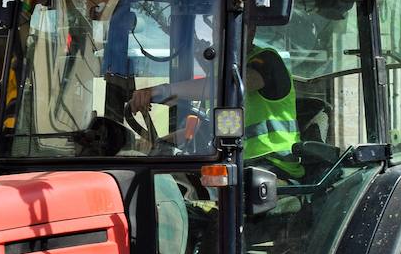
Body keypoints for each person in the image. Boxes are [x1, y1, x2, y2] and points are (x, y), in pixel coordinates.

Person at [129, 46, 301, 177]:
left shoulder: (266, 60)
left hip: (275, 169)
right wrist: (162, 145)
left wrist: (164, 90)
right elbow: (210, 128)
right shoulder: (228, 70)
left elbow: (231, 85)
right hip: (238, 164)